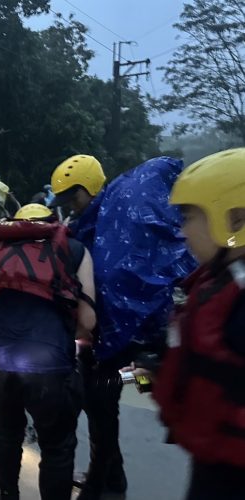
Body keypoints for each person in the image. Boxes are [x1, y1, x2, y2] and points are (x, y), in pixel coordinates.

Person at [50, 154, 196, 499]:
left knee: (102, 405)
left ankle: (108, 485)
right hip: (112, 338)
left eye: (75, 195)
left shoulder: (124, 209)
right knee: (101, 403)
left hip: (123, 336)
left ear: (91, 188)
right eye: (66, 199)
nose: (71, 204)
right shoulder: (90, 223)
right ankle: (110, 476)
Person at [119, 149, 245, 500]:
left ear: (234, 220)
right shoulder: (216, 282)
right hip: (211, 459)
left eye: (190, 216)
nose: (183, 230)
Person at [0, 203, 96, 500]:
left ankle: (7, 494)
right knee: (57, 446)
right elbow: (88, 320)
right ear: (52, 224)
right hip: (48, 367)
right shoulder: (75, 249)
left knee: (9, 428)